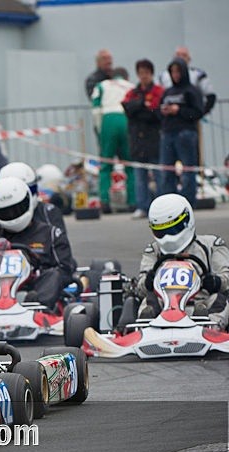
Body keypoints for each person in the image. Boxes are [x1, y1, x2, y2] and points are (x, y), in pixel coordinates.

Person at [136, 194, 229, 329]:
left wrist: (216, 282)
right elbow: (140, 288)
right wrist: (148, 282)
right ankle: (145, 328)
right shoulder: (153, 251)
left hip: (201, 303)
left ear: (187, 221)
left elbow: (226, 278)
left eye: (172, 229)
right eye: (161, 231)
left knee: (220, 299)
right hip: (164, 308)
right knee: (149, 300)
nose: (167, 237)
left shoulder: (212, 245)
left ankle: (209, 328)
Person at [0, 176, 76, 311]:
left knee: (54, 275)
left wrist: (38, 270)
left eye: (16, 209)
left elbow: (65, 270)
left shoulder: (50, 234)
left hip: (36, 288)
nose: (12, 215)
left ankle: (37, 308)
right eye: (6, 212)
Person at [122, 59, 164, 219]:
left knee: (159, 174)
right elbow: (127, 107)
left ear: (151, 73)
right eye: (140, 73)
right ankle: (142, 206)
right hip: (137, 141)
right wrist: (142, 104)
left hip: (153, 139)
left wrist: (139, 108)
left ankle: (161, 207)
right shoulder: (133, 92)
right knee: (140, 176)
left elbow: (155, 111)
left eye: (146, 73)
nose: (143, 76)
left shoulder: (159, 90)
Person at [158, 57, 204, 205]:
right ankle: (169, 203)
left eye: (178, 71)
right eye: (173, 72)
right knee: (167, 171)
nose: (176, 75)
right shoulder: (168, 92)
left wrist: (179, 110)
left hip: (185, 133)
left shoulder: (192, 91)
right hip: (168, 133)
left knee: (188, 170)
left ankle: (188, 201)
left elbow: (197, 112)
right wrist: (164, 111)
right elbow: (158, 111)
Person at [91, 67, 136, 213]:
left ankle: (104, 201)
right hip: (126, 119)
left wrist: (99, 131)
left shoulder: (102, 85)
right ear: (126, 77)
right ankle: (133, 201)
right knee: (129, 165)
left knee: (105, 164)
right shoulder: (131, 86)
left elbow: (96, 109)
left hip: (108, 120)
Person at [157, 46, 216, 116]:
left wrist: (202, 113)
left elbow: (210, 96)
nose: (180, 57)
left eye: (184, 55)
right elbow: (157, 97)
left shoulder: (198, 74)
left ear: (189, 59)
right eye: (178, 55)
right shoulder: (163, 76)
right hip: (169, 120)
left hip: (191, 118)